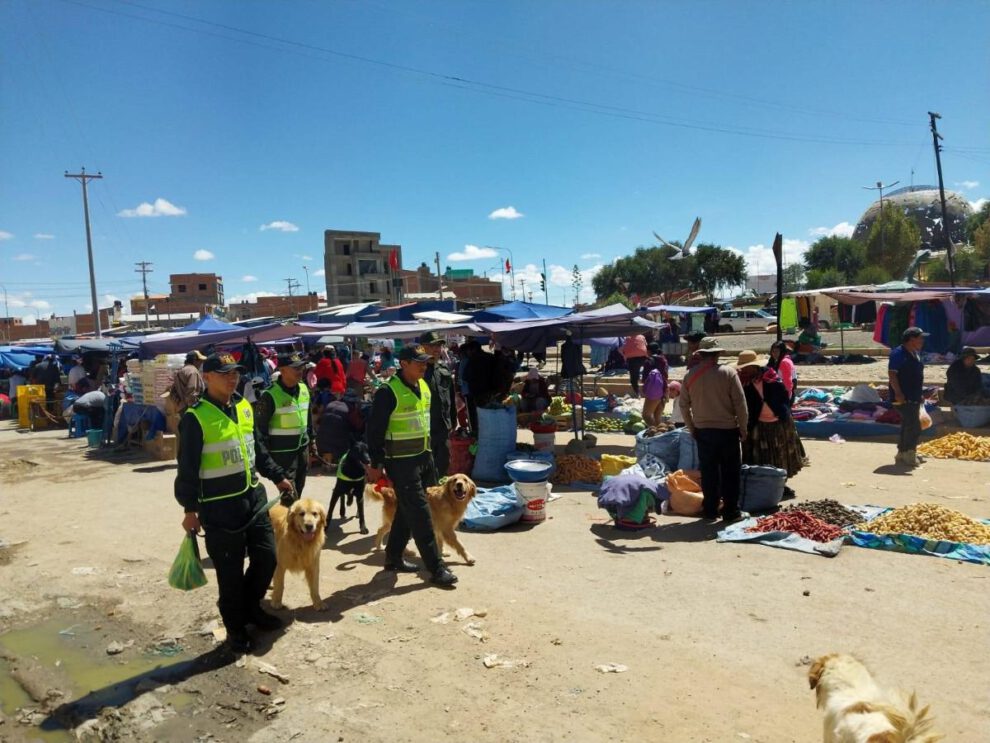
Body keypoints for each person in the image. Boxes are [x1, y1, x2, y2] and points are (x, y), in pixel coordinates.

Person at [174, 352, 294, 654]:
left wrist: (278, 476)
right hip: (218, 506)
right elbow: (186, 468)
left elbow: (257, 449)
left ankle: (252, 607)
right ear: (208, 377)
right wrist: (189, 509)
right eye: (225, 373)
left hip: (253, 499)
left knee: (267, 557)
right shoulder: (195, 417)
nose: (232, 377)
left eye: (236, 372)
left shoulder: (243, 406)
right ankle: (236, 628)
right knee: (229, 574)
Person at [366, 345, 457, 587]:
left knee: (407, 510)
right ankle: (436, 568)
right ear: (403, 363)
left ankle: (393, 557)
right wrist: (375, 464)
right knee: (421, 515)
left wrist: (432, 460)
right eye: (418, 361)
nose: (423, 365)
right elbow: (374, 432)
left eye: (425, 361)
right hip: (401, 463)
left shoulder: (424, 386)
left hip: (424, 458)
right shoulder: (388, 392)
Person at [679, 338, 749, 522]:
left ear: (700, 354)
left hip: (703, 431)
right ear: (718, 354)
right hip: (727, 431)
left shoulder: (689, 376)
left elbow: (683, 405)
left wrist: (692, 427)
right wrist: (743, 428)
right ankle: (730, 511)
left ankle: (710, 510)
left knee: (709, 472)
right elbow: (740, 404)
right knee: (730, 473)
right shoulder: (728, 373)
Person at [735, 350, 805, 480]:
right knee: (760, 455)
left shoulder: (771, 377)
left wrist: (780, 412)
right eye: (743, 367)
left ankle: (781, 482)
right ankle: (763, 481)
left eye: (747, 367)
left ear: (755, 366)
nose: (744, 370)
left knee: (781, 453)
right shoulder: (743, 383)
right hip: (757, 423)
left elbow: (783, 397)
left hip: (778, 420)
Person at [255, 352, 314, 502]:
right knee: (289, 496)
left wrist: (311, 441)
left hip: (302, 450)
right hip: (283, 455)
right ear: (282, 370)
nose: (300, 371)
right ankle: (287, 524)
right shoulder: (269, 395)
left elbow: (308, 418)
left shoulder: (304, 388)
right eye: (295, 368)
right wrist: (268, 463)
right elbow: (259, 433)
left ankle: (292, 523)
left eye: (301, 367)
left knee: (298, 492)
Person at [888, 327, 927, 468]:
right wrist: (898, 393)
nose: (922, 340)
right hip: (903, 397)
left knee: (908, 425)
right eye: (920, 338)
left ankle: (902, 453)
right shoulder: (898, 353)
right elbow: (892, 374)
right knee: (914, 426)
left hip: (913, 395)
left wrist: (919, 393)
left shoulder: (914, 353)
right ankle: (910, 453)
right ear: (911, 339)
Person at [420, 331, 456, 477]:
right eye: (432, 346)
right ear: (422, 348)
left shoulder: (443, 370)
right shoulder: (416, 372)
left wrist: (453, 421)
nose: (436, 349)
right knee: (425, 470)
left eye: (439, 346)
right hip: (424, 431)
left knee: (442, 466)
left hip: (443, 430)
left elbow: (450, 398)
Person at [641, 343, 668, 427]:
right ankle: (661, 435)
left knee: (646, 416)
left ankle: (656, 432)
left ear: (648, 351)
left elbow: (645, 378)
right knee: (657, 418)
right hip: (664, 390)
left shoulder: (649, 361)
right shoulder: (663, 360)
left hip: (654, 391)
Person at [768, 340, 798, 405]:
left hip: (785, 396)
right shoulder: (783, 360)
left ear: (782, 351)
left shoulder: (784, 362)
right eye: (773, 351)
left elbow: (788, 383)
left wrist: (786, 400)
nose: (774, 354)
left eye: (777, 351)